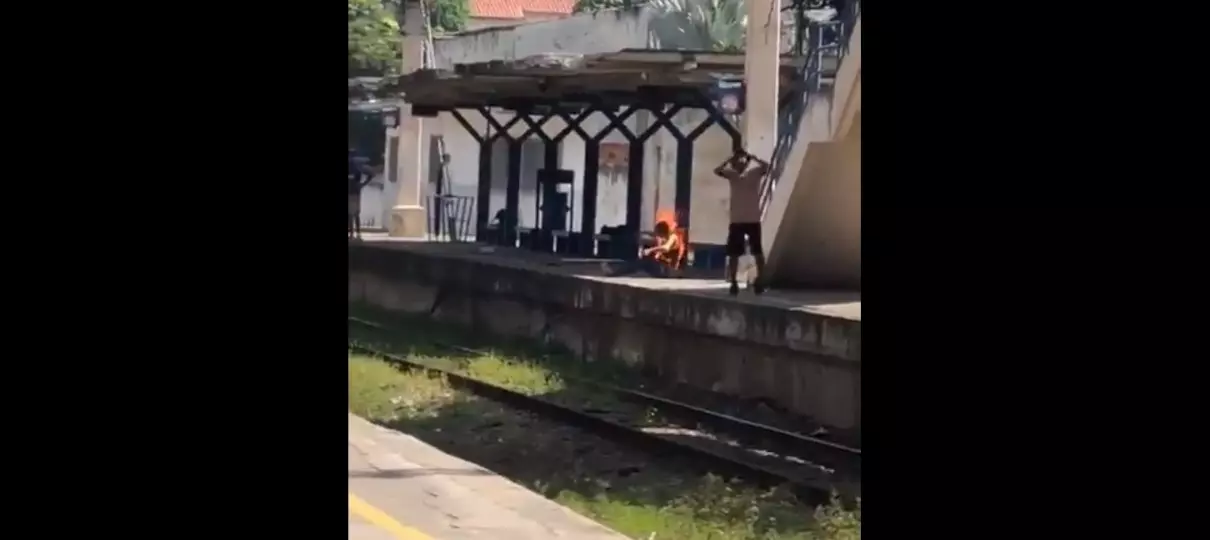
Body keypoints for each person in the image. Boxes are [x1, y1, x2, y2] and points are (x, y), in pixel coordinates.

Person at [714, 151, 770, 295]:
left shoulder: (754, 173)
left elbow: (767, 166)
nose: (738, 165)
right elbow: (717, 170)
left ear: (745, 163)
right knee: (734, 253)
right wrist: (729, 159)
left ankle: (760, 279)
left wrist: (753, 157)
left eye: (740, 162)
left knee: (757, 251)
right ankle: (733, 281)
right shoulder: (732, 176)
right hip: (737, 219)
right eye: (735, 163)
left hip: (751, 219)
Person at [605, 220, 683, 278]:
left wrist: (650, 250)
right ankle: (617, 271)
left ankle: (615, 273)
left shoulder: (673, 237)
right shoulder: (664, 239)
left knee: (643, 263)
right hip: (663, 268)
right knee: (639, 263)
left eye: (659, 235)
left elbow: (666, 248)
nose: (659, 237)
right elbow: (659, 252)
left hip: (669, 270)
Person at [348, 148, 376, 240]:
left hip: (355, 193)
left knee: (354, 213)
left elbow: (371, 173)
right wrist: (363, 184)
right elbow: (371, 174)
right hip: (354, 192)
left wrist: (362, 184)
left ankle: (356, 232)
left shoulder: (357, 166)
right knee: (352, 214)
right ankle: (353, 233)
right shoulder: (357, 166)